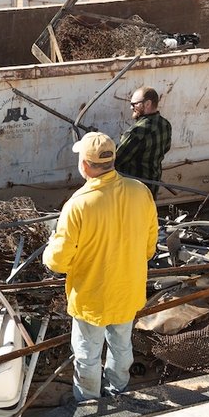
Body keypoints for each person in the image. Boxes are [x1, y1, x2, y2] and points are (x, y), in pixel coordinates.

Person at [43, 133, 159, 402]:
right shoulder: (140, 191)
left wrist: (49, 250)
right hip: (128, 290)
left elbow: (58, 262)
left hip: (92, 297)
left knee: (87, 354)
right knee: (121, 345)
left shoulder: (78, 204)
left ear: (84, 165)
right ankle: (118, 389)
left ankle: (88, 401)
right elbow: (150, 244)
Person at [115, 86, 173, 199]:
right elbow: (166, 148)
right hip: (153, 186)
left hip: (134, 190)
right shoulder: (165, 124)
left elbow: (117, 160)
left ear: (147, 104)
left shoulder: (136, 132)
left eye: (134, 104)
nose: (131, 107)